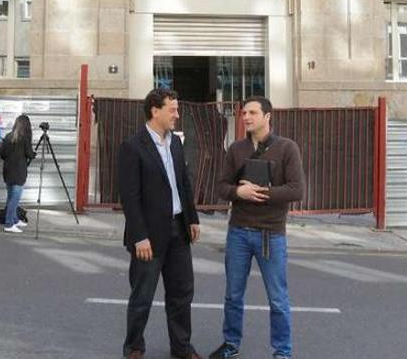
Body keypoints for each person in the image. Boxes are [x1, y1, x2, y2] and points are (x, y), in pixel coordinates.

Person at [210, 96, 305, 359]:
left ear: (267, 116)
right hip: (238, 231)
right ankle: (231, 345)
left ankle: (282, 352)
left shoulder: (287, 148)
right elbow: (221, 187)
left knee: (277, 299)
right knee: (232, 295)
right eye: (243, 113)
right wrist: (239, 192)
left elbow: (297, 189)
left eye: (252, 112)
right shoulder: (235, 149)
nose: (246, 117)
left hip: (270, 234)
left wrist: (264, 193)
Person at [119, 88, 201, 359]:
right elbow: (129, 197)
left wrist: (192, 218)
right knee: (142, 296)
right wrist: (139, 236)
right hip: (149, 236)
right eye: (172, 110)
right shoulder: (133, 146)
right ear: (155, 111)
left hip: (179, 229)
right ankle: (134, 347)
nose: (177, 114)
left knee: (181, 294)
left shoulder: (175, 143)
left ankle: (181, 347)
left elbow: (183, 183)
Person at [0, 114, 35, 233]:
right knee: (15, 199)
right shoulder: (24, 138)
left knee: (10, 197)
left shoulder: (9, 136)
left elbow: (2, 153)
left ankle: (14, 219)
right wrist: (33, 154)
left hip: (8, 171)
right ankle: (9, 224)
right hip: (19, 172)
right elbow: (29, 154)